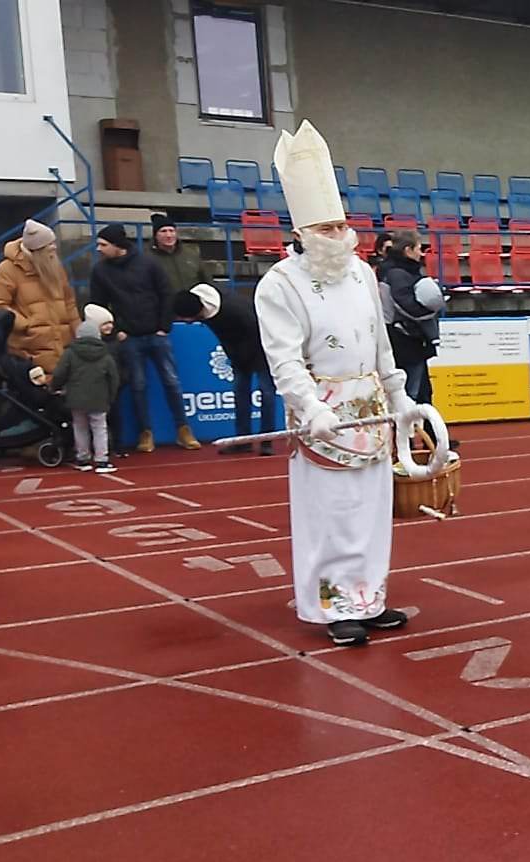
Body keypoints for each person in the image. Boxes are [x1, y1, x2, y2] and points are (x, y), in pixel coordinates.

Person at [254, 120, 428, 647]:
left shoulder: (361, 273)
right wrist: (311, 408)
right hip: (324, 415)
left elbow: (380, 343)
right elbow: (284, 359)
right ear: (303, 232)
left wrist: (400, 397)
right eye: (325, 227)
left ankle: (368, 598)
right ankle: (333, 606)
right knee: (331, 514)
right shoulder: (279, 285)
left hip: (370, 411)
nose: (337, 235)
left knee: (372, 511)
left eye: (340, 225)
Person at [90, 223, 200, 452]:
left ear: (117, 245)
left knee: (172, 382)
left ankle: (183, 429)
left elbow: (166, 293)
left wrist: (164, 326)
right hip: (129, 337)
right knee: (138, 386)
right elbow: (97, 304)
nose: (98, 249)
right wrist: (117, 330)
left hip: (156, 333)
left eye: (103, 244)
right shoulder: (100, 271)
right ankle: (145, 432)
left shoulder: (148, 263)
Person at [172, 282, 277, 456]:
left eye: (187, 318)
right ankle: (243, 441)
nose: (186, 322)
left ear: (198, 311)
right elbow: (226, 338)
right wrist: (236, 357)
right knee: (239, 394)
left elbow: (258, 333)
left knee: (267, 393)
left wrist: (247, 357)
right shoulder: (201, 306)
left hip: (262, 348)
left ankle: (267, 441)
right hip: (238, 353)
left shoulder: (234, 311)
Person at [0, 219, 79, 375]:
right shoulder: (9, 269)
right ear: (36, 250)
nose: (54, 248)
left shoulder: (56, 266)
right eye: (49, 246)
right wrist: (26, 325)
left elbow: (69, 302)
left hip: (63, 346)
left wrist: (79, 331)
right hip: (29, 350)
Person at [377, 229, 443, 406]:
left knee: (421, 392)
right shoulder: (398, 274)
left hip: (409, 340)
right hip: (405, 341)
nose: (421, 253)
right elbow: (406, 306)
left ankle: (425, 424)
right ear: (408, 250)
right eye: (419, 248)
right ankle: (407, 424)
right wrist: (430, 310)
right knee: (409, 395)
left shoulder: (398, 271)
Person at [53, 305, 122, 473]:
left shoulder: (70, 353)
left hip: (76, 398)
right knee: (99, 428)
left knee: (80, 427)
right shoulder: (105, 354)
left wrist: (55, 387)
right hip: (99, 398)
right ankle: (102, 460)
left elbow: (60, 373)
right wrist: (111, 397)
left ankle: (83, 458)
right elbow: (114, 378)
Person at [147, 213, 209, 294]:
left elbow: (206, 280)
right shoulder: (148, 259)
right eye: (163, 231)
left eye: (171, 231)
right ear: (155, 235)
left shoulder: (191, 255)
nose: (168, 235)